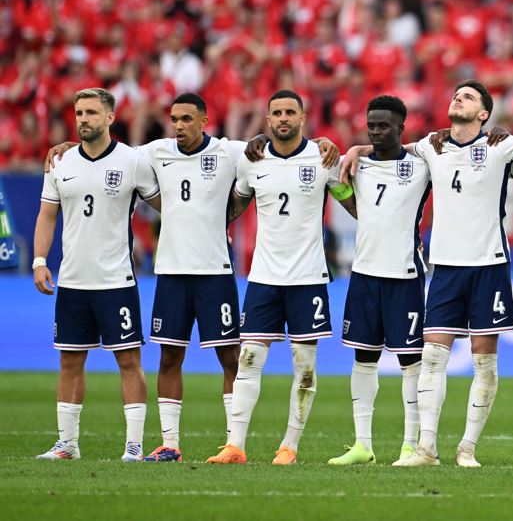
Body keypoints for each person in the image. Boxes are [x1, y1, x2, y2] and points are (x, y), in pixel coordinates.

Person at [42, 93, 339, 462]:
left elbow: (276, 145)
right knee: (169, 358)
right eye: (174, 119)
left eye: (186, 119)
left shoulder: (230, 152)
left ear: (204, 120)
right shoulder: (154, 153)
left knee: (231, 358)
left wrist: (324, 143)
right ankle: (170, 444)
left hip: (216, 272)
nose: (179, 126)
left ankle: (234, 443)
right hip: (170, 272)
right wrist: (73, 145)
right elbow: (106, 152)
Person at [342, 80, 513, 468]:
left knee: (484, 362)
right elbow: (391, 148)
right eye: (455, 94)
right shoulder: (432, 146)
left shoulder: (502, 145)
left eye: (467, 97)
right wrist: (357, 147)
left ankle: (467, 448)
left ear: (483, 113)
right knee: (432, 357)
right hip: (445, 269)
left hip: (489, 265)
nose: (457, 98)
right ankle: (426, 449)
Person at [206, 90, 349, 465]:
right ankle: (235, 445)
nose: (283, 118)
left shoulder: (323, 159)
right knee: (249, 359)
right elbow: (235, 203)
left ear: (303, 118)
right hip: (264, 277)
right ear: (267, 120)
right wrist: (214, 229)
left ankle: (290, 446)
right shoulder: (252, 161)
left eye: (290, 112)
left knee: (304, 365)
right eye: (276, 113)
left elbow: (353, 202)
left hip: (308, 277)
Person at [33, 88, 161, 461]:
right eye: (79, 112)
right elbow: (47, 215)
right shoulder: (60, 163)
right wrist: (40, 260)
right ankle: (67, 444)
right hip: (72, 281)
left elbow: (163, 206)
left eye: (91, 112)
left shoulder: (132, 161)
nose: (83, 118)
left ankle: (134, 445)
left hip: (116, 281)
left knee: (128, 361)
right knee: (70, 361)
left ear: (109, 117)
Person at [326, 95, 431, 466]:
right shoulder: (358, 165)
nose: (376, 130)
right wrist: (350, 197)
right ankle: (362, 445)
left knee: (410, 362)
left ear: (402, 127)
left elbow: (451, 144)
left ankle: (410, 444)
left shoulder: (421, 166)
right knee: (363, 359)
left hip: (404, 275)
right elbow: (332, 182)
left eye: (384, 125)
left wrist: (359, 146)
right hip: (364, 274)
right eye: (371, 125)